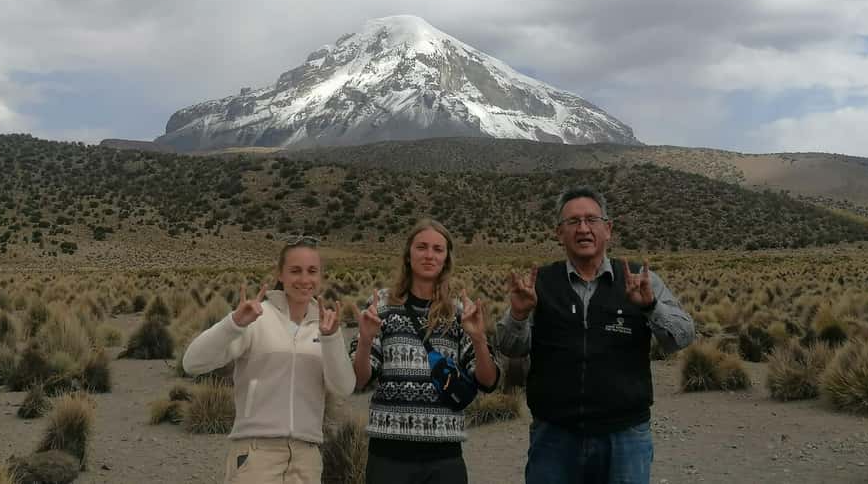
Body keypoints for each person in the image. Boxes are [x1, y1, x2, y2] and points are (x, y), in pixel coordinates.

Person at [496, 185, 695, 484]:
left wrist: (652, 307)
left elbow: (682, 336)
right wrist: (519, 315)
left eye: (591, 220)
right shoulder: (540, 284)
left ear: (608, 229)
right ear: (559, 233)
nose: (583, 229)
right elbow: (510, 348)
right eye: (573, 222)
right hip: (554, 436)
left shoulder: (640, 280)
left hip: (625, 436)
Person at [182, 236, 355, 484]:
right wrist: (233, 324)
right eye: (295, 271)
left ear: (321, 277)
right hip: (256, 454)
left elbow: (344, 387)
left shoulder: (326, 327)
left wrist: (330, 339)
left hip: (307, 458)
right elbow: (192, 363)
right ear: (280, 274)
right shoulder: (256, 320)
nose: (304, 279)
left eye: (312, 271)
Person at [351, 219, 501, 484]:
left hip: (444, 457)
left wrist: (478, 338)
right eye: (421, 247)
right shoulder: (381, 306)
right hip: (388, 455)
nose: (429, 255)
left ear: (446, 258)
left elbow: (488, 381)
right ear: (408, 254)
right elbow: (359, 380)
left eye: (437, 249)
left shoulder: (458, 313)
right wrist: (365, 340)